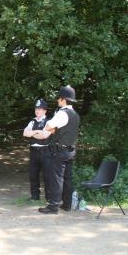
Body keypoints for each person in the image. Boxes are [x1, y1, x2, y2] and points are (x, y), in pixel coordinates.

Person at [37, 85, 81, 214]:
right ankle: (67, 204)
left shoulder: (62, 113)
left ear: (63, 100)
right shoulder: (75, 114)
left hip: (60, 151)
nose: (57, 100)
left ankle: (53, 206)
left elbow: (48, 126)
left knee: (57, 178)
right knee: (68, 179)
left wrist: (51, 129)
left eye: (59, 98)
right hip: (71, 150)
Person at [23, 99, 50, 201]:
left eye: (40, 109)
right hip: (34, 151)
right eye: (36, 109)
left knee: (47, 175)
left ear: (44, 111)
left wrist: (32, 133)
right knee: (33, 175)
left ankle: (49, 197)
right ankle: (35, 196)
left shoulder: (49, 122)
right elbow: (25, 133)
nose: (37, 111)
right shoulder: (32, 121)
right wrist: (37, 131)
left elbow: (43, 136)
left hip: (45, 151)